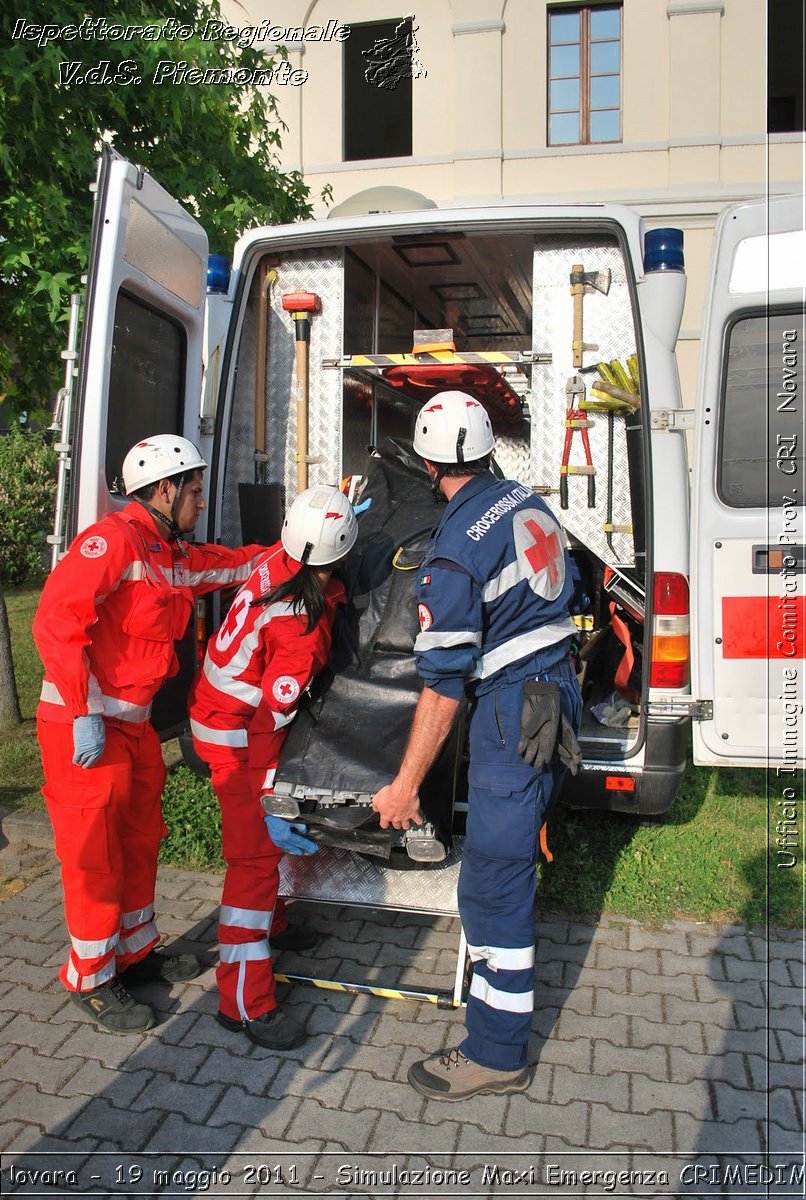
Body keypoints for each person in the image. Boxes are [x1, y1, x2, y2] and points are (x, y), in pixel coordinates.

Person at [372, 391, 583, 1101]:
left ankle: (497, 1050)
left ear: (429, 464)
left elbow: (442, 687)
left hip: (509, 712)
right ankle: (498, 1028)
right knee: (511, 861)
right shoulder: (527, 499)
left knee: (492, 881)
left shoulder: (456, 550)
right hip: (556, 694)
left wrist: (404, 788)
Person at [33, 435, 267, 1035]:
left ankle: (134, 954)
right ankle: (90, 977)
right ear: (163, 489)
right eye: (192, 491)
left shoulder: (165, 550)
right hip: (84, 728)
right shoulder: (111, 541)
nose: (198, 502)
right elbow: (57, 619)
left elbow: (229, 565)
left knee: (139, 840)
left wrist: (295, 549)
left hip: (132, 728)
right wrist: (84, 709)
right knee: (94, 857)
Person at [188, 485, 358, 1051]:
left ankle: (275, 926)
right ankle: (242, 1003)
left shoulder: (279, 560)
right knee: (252, 870)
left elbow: (313, 555)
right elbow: (273, 715)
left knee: (263, 860)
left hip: (218, 714)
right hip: (238, 738)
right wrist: (267, 794)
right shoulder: (298, 631)